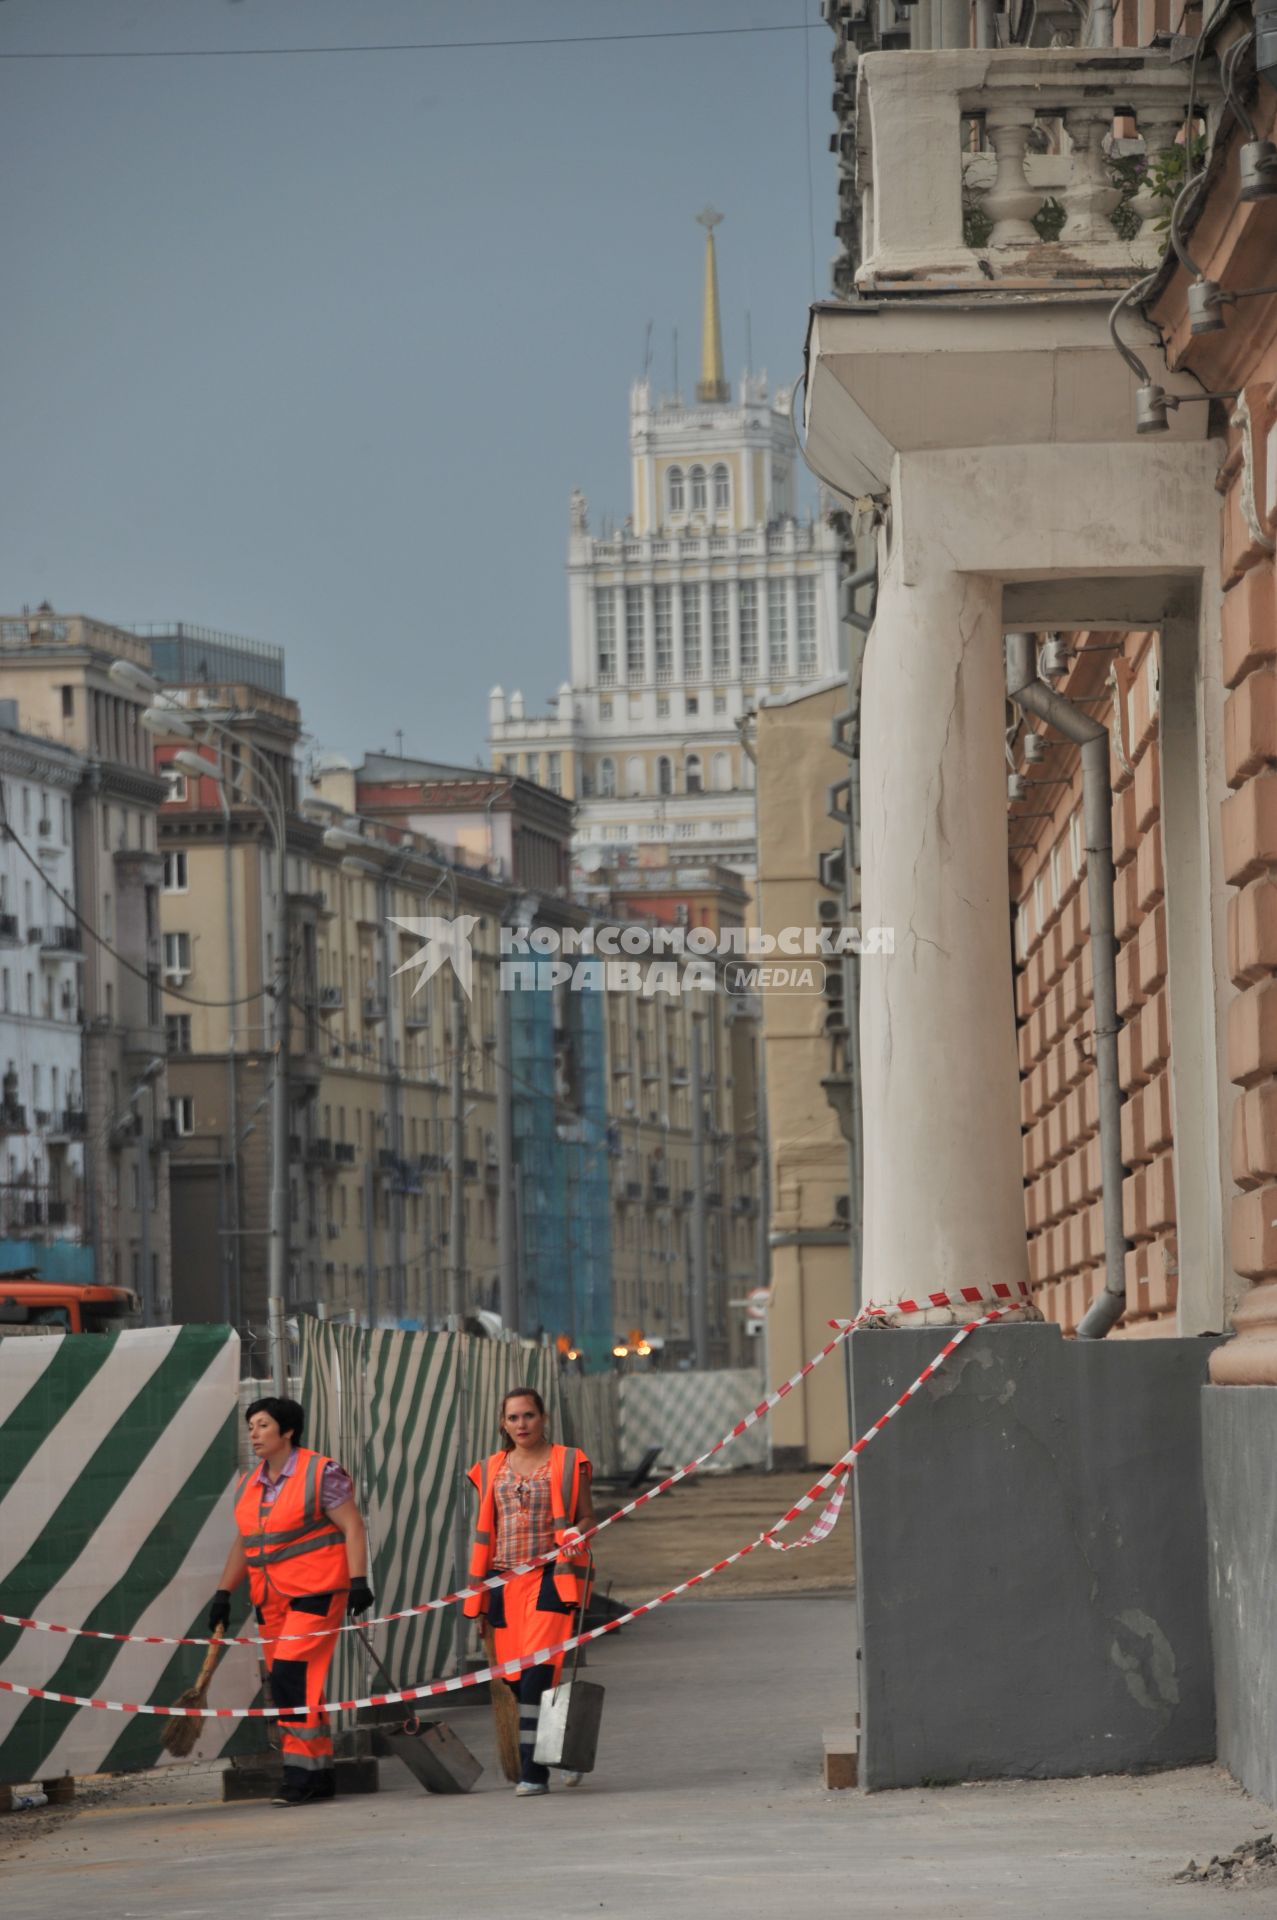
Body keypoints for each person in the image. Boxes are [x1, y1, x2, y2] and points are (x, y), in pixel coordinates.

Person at [207, 1396, 373, 1806]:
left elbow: (353, 1526)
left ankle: (298, 1777)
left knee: (288, 1679)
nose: (254, 1434)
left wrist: (358, 1581)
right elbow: (246, 1542)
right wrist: (223, 1592)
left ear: (287, 1432)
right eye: (251, 1427)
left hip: (316, 1591)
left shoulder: (321, 1472)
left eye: (262, 1425)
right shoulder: (250, 1483)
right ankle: (318, 1776)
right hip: (271, 1598)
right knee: (300, 1687)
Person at [464, 1386, 594, 1796]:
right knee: (518, 1681)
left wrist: (577, 1531)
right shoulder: (487, 1469)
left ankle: (532, 1773)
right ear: (502, 1424)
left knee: (539, 1671)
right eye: (513, 1418)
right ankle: (565, 1751)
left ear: (544, 1418)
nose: (522, 1424)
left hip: (551, 1579)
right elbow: (489, 1530)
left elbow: (589, 1515)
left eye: (529, 1416)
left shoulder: (569, 1462)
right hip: (504, 1583)